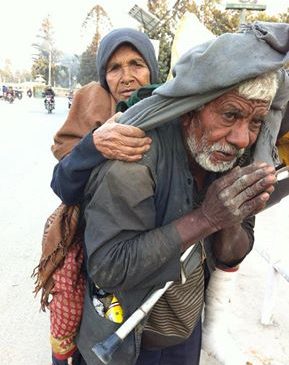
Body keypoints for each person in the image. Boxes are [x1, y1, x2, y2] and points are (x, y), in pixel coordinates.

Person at [73, 22, 289, 365]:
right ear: (190, 108)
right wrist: (206, 218)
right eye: (230, 114)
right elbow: (108, 268)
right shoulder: (135, 158)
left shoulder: (233, 158)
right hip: (126, 348)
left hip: (186, 339)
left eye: (255, 122)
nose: (242, 138)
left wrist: (231, 216)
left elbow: (231, 256)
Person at [33, 28, 159, 365]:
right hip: (101, 261)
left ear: (153, 68)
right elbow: (63, 184)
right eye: (114, 68)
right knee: (101, 335)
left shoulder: (176, 112)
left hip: (162, 263)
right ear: (104, 75)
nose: (127, 76)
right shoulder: (94, 113)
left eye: (137, 63)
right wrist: (94, 145)